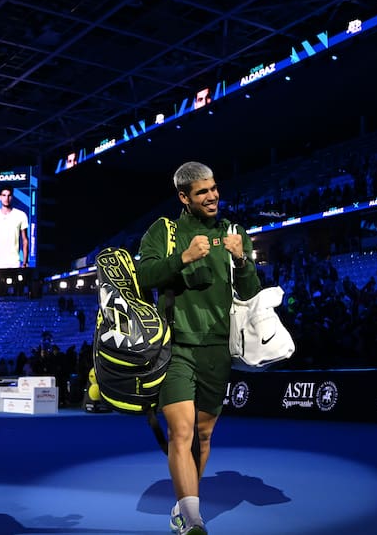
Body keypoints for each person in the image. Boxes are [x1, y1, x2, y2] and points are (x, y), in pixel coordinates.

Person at [136, 161, 260, 535]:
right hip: (174, 348)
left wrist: (242, 259)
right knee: (181, 432)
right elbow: (144, 276)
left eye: (214, 189)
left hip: (217, 350)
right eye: (202, 192)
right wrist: (184, 258)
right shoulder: (166, 231)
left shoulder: (235, 232)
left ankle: (183, 503)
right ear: (184, 197)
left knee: (203, 436)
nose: (212, 196)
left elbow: (251, 292)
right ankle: (193, 520)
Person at [0, 186, 30, 295]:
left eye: (9, 195)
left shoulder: (21, 215)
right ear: (0, 197)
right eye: (4, 195)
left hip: (14, 262)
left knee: (18, 294)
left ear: (12, 197)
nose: (6, 198)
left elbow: (25, 240)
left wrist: (25, 262)